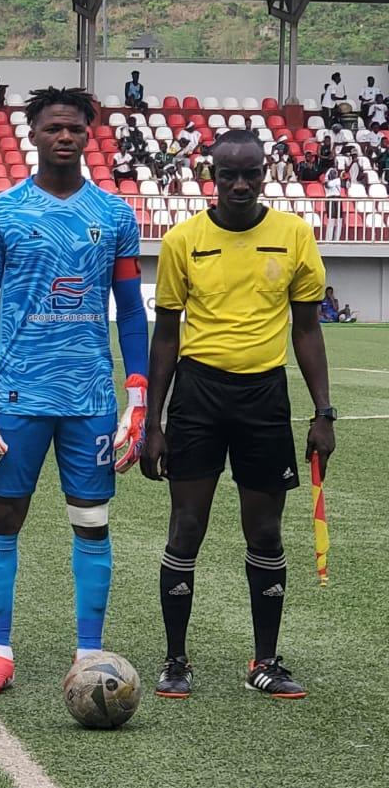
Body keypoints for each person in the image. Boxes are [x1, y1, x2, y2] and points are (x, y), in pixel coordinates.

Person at [0, 87, 149, 695]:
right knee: (4, 513)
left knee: (91, 521)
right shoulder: (2, 213)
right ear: (34, 134)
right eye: (53, 128)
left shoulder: (115, 215)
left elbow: (131, 311)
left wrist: (138, 397)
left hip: (89, 397)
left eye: (74, 128)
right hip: (17, 395)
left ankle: (89, 651)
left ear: (88, 135)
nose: (64, 137)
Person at [143, 128, 334, 700]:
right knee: (187, 527)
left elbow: (307, 330)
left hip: (264, 397)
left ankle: (265, 661)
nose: (241, 184)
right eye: (229, 174)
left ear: (265, 173)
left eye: (251, 173)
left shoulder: (294, 235)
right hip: (198, 396)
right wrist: (153, 423)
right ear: (213, 176)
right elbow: (166, 337)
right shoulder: (183, 240)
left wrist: (323, 412)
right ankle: (176, 661)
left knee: (266, 531)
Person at [323, 165, 344, 241]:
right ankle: (328, 239)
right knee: (331, 220)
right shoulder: (328, 182)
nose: (334, 175)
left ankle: (336, 239)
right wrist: (339, 180)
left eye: (334, 173)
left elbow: (346, 185)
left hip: (338, 199)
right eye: (332, 173)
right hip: (330, 199)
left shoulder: (338, 180)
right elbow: (328, 185)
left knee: (339, 220)